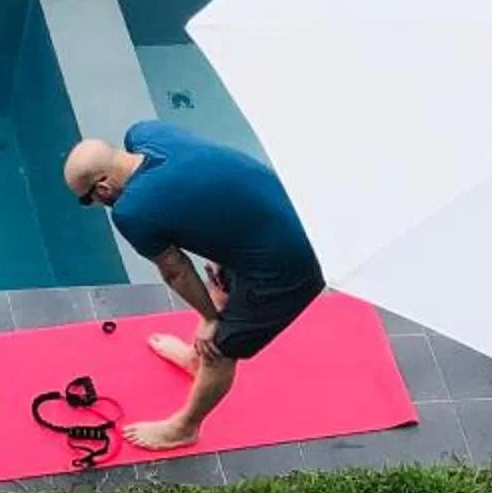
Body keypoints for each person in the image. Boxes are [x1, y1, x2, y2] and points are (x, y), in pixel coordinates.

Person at [62, 120, 325, 450]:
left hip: (290, 263)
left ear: (102, 189)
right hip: (283, 218)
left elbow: (176, 272)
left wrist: (212, 320)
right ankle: (193, 360)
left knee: (220, 346)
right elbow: (209, 185)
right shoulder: (148, 133)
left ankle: (184, 428)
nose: (96, 204)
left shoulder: (133, 210)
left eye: (88, 200)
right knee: (219, 285)